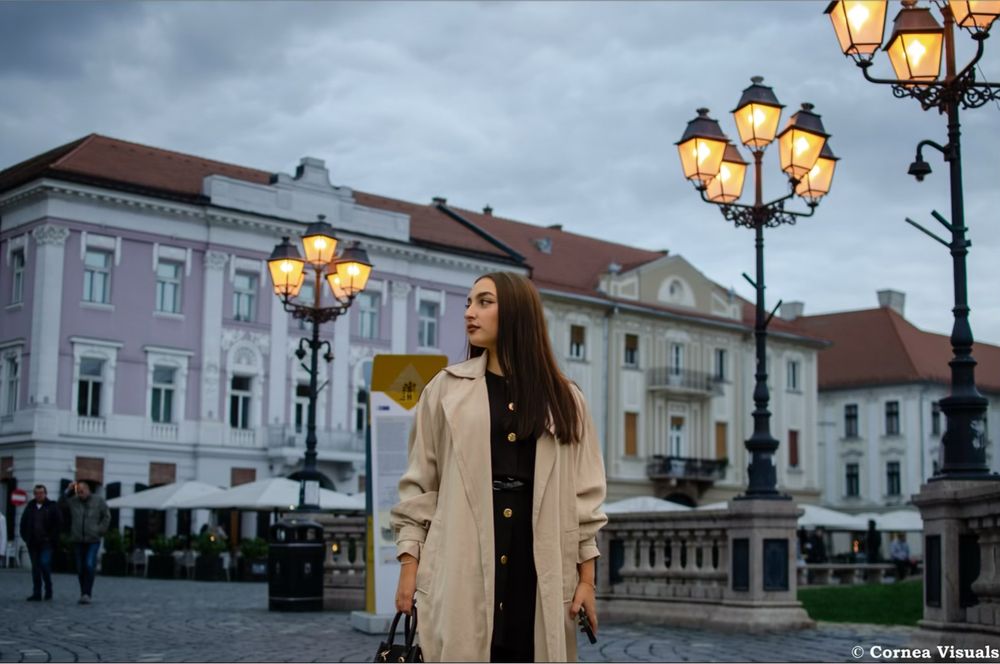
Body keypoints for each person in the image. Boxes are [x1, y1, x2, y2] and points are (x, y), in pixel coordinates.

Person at [391, 272, 608, 662]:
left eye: (484, 302)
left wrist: (587, 580)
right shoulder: (444, 390)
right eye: (468, 303)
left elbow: (586, 498)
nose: (470, 313)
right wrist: (410, 566)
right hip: (461, 564)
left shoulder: (565, 399)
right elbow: (420, 487)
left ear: (517, 314)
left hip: (537, 567)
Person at [60, 481, 110, 604]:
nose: (80, 494)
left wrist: (100, 530)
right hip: (77, 539)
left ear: (88, 490)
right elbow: (60, 504)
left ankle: (87, 593)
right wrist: (68, 490)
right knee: (80, 568)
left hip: (93, 539)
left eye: (82, 491)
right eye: (78, 491)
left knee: (89, 565)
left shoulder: (98, 500)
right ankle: (83, 592)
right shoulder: (74, 501)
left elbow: (107, 516)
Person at [19, 485, 61, 600]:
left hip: (47, 542)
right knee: (35, 568)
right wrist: (25, 537)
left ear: (45, 494)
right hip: (33, 542)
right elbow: (23, 522)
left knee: (44, 563)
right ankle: (37, 592)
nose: (39, 495)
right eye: (37, 493)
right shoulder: (30, 507)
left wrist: (51, 538)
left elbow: (58, 524)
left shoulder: (52, 506)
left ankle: (48, 587)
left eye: (41, 493)